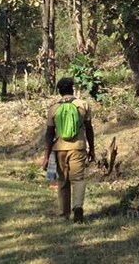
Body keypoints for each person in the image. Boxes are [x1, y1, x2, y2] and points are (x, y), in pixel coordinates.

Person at [41, 77, 95, 223]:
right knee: (78, 179)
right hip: (78, 147)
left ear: (59, 91)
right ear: (72, 89)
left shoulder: (53, 108)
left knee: (62, 181)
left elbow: (49, 134)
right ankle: (78, 207)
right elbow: (89, 129)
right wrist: (92, 149)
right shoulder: (83, 105)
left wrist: (46, 157)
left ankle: (64, 214)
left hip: (59, 149)